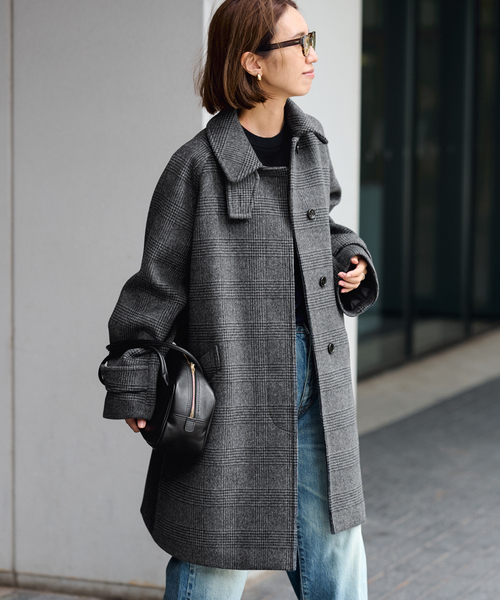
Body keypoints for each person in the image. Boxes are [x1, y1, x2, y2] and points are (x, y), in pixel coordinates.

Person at [102, 0, 379, 598]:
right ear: (253, 62)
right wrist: (134, 384)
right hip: (231, 387)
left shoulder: (310, 144)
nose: (311, 54)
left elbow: (322, 226)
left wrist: (348, 257)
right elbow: (155, 286)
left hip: (317, 373)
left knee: (336, 544)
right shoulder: (195, 167)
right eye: (296, 43)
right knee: (216, 551)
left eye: (310, 38)